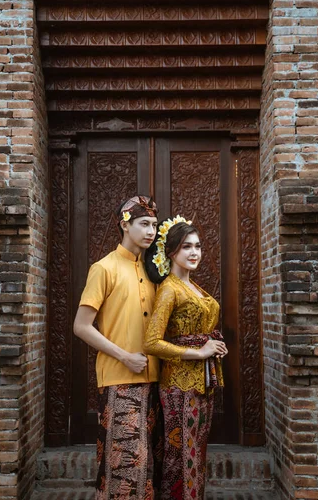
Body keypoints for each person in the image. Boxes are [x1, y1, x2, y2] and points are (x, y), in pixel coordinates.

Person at [73, 195, 163, 500]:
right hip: (119, 380)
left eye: (153, 224)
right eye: (144, 224)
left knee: (146, 468)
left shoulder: (152, 273)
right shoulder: (104, 268)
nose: (151, 231)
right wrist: (125, 356)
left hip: (155, 380)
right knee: (122, 467)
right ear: (125, 224)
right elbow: (81, 326)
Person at [143, 216, 228, 500]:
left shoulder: (193, 286)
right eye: (186, 247)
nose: (194, 253)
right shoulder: (169, 289)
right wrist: (198, 351)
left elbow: (198, 328)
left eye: (197, 246)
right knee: (180, 454)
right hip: (178, 386)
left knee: (195, 454)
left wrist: (213, 345)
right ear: (171, 253)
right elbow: (152, 342)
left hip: (201, 382)